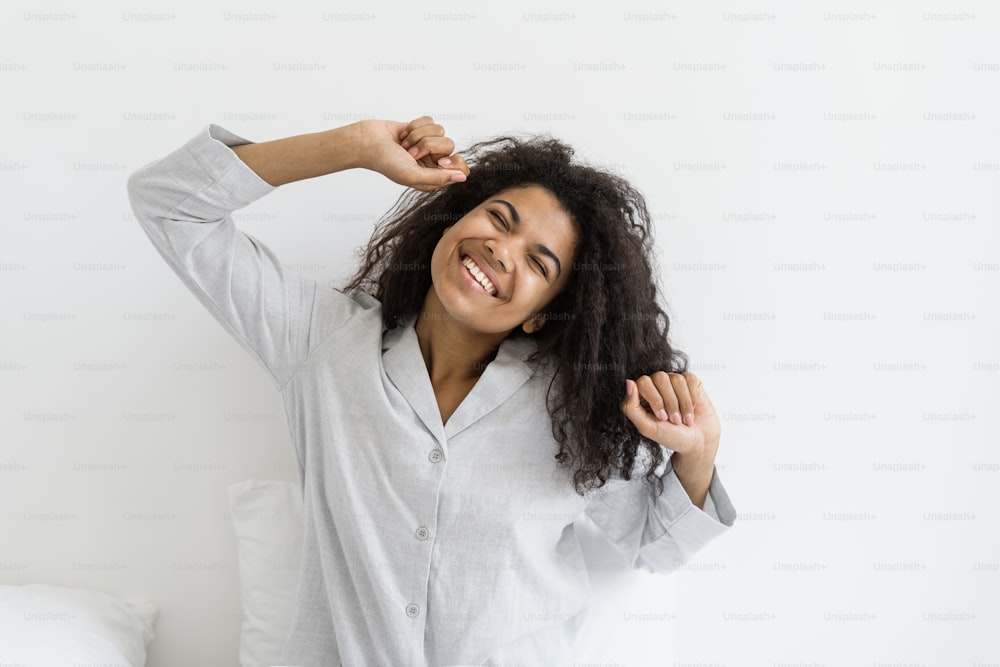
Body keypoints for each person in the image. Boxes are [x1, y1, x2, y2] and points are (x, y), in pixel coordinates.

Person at [126, 115, 737, 666]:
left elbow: (654, 548)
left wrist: (698, 451)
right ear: (454, 218)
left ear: (542, 314)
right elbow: (168, 202)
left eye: (540, 263)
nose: (501, 248)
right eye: (499, 219)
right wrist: (354, 146)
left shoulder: (572, 412)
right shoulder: (322, 344)